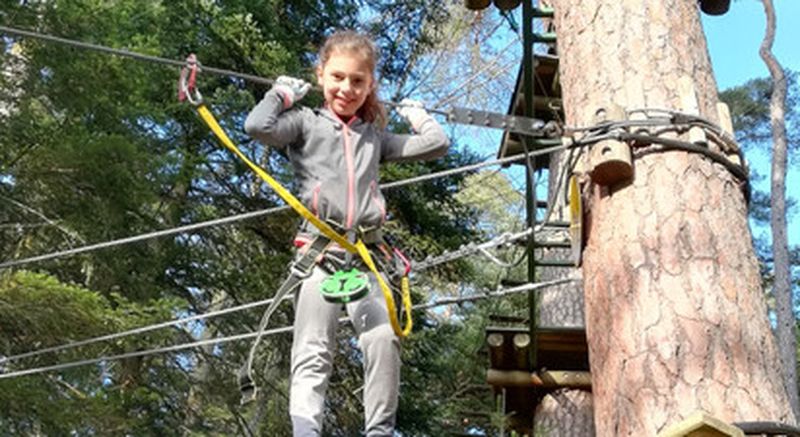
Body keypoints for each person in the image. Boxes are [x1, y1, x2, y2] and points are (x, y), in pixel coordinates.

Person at [243, 30, 449, 436]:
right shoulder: (304, 124)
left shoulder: (374, 138)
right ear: (321, 75)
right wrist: (281, 95)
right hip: (319, 256)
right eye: (337, 77)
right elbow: (257, 126)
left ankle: (379, 432)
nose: (346, 88)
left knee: (382, 340)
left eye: (358, 81)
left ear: (370, 85)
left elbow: (436, 144)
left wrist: (417, 114)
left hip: (367, 257)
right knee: (313, 352)